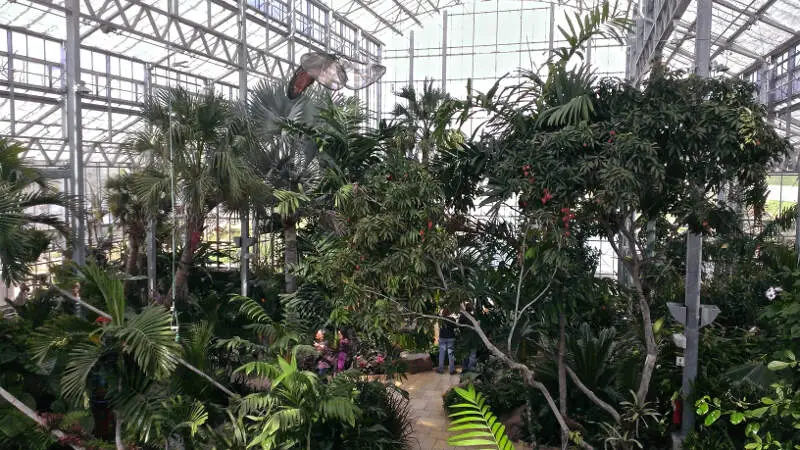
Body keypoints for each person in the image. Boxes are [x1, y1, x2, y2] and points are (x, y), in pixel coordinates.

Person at [459, 303, 479, 372]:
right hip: (472, 339)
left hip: (466, 339)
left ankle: (465, 368)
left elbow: (460, 326)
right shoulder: (473, 317)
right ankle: (470, 368)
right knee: (472, 354)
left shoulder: (462, 316)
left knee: (466, 354)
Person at [437, 308, 457, 375]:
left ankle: (440, 369)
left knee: (441, 354)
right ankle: (452, 370)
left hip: (442, 338)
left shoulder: (440, 319)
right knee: (450, 354)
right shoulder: (452, 319)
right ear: (449, 313)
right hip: (451, 338)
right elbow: (455, 326)